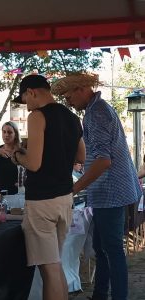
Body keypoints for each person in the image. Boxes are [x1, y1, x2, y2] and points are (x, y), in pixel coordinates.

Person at [51, 72, 142, 300]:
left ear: (81, 89)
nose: (67, 101)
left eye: (68, 95)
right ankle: (101, 294)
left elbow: (103, 160)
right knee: (102, 249)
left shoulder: (97, 113)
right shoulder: (95, 110)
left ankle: (118, 296)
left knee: (112, 251)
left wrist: (74, 188)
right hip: (106, 191)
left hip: (111, 191)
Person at [11, 74, 85, 300]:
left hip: (42, 201)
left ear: (31, 92)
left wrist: (17, 155)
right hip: (64, 198)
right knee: (55, 265)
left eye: (25, 100)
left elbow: (33, 163)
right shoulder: (72, 117)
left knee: (48, 268)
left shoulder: (37, 116)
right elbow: (81, 155)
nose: (26, 106)